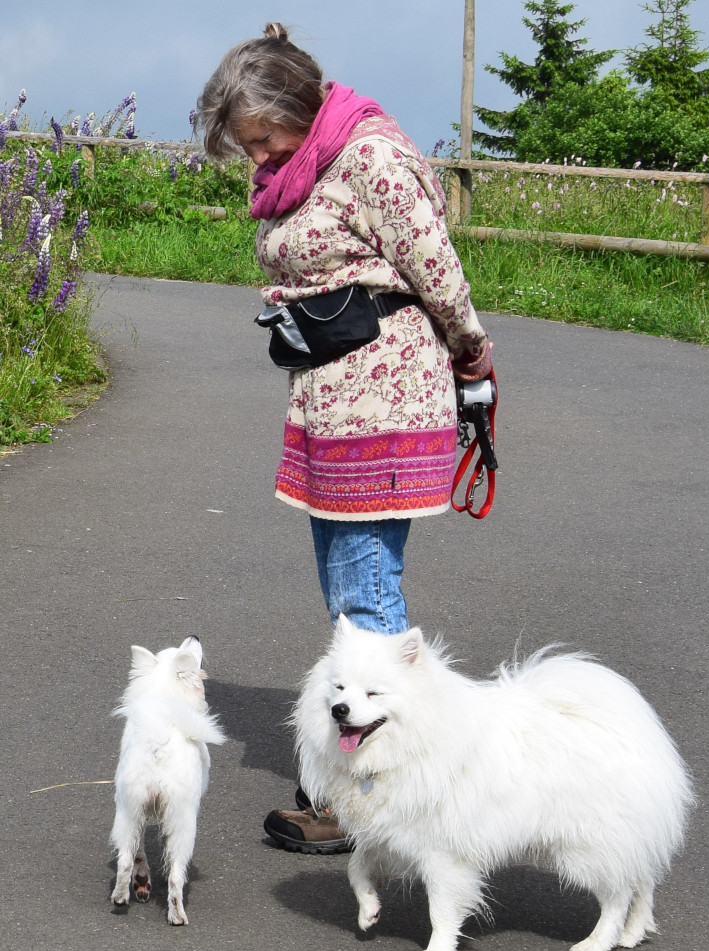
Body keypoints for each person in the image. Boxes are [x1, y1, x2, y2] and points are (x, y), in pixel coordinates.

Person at [196, 23, 491, 853]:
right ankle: (365, 773)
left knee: (365, 599)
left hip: (383, 403)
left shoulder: (370, 159)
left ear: (296, 107)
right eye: (245, 145)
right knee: (349, 592)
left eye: (260, 138)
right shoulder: (314, 162)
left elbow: (437, 269)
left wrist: (471, 352)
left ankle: (367, 792)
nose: (256, 157)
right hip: (336, 403)